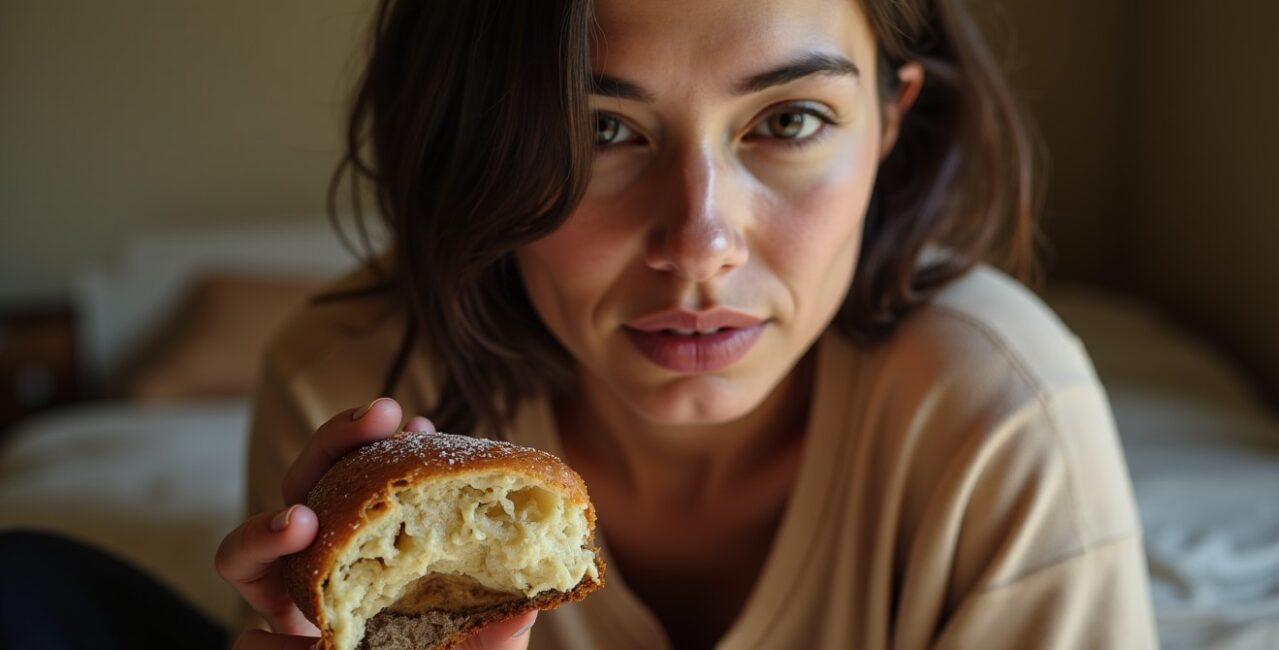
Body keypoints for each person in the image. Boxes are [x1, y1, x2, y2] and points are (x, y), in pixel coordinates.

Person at [215, 0, 1160, 648]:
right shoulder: (345, 396)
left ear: (888, 123)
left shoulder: (1000, 415)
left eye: (788, 121)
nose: (699, 243)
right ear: (476, 144)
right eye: (600, 131)